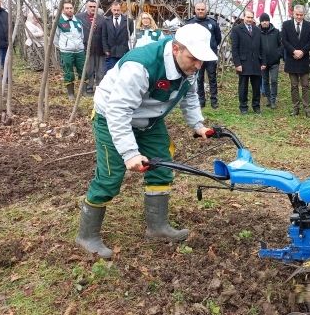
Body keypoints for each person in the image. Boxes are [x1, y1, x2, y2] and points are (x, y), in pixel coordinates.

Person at [75, 23, 218, 259]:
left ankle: (157, 227)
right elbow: (118, 111)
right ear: (176, 49)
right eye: (194, 59)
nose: (199, 65)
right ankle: (87, 235)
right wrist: (130, 153)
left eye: (202, 60)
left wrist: (198, 125)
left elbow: (189, 96)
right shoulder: (140, 67)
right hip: (111, 116)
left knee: (162, 167)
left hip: (149, 120)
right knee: (110, 178)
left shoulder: (190, 67)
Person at [186, 2, 222, 108]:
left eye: (202, 9)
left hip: (210, 55)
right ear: (195, 10)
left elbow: (218, 38)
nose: (201, 11)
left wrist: (212, 48)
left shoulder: (213, 23)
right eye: (198, 9)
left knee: (212, 77)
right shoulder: (189, 23)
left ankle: (214, 101)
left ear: (206, 10)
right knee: (199, 78)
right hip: (196, 56)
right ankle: (201, 100)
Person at [281, 4, 310, 117]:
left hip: (303, 60)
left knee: (305, 85)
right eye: (297, 15)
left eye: (301, 15)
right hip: (292, 60)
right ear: (293, 14)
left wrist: (302, 52)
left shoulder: (309, 26)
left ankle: (307, 109)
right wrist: (294, 51)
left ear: (304, 14)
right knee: (294, 86)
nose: (299, 17)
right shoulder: (286, 25)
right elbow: (284, 40)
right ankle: (295, 108)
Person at [231, 9, 266, 114]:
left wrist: (263, 62)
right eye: (248, 17)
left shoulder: (257, 30)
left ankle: (256, 106)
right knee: (243, 87)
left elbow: (262, 48)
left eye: (251, 17)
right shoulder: (237, 30)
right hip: (243, 63)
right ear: (243, 17)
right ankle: (243, 107)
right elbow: (234, 48)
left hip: (256, 63)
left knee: (256, 87)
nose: (249, 19)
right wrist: (237, 64)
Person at [53, 1, 85, 100]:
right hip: (67, 51)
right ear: (63, 10)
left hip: (79, 51)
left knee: (83, 70)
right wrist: (64, 47)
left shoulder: (78, 21)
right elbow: (55, 38)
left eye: (71, 8)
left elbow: (82, 36)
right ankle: (71, 94)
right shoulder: (59, 22)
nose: (69, 10)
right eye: (67, 8)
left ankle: (82, 92)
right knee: (68, 72)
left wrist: (79, 45)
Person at [76, 0, 106, 94]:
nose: (93, 8)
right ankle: (89, 89)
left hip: (100, 49)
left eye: (94, 6)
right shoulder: (78, 17)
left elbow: (105, 34)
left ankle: (99, 89)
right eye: (91, 6)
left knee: (100, 71)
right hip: (86, 48)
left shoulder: (102, 19)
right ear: (86, 6)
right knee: (88, 70)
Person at [259, 13, 282, 109]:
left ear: (269, 21)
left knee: (274, 80)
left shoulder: (276, 32)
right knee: (265, 81)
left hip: (274, 62)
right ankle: (268, 99)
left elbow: (281, 45)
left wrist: (278, 55)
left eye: (266, 20)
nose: (265, 22)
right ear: (260, 22)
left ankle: (273, 100)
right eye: (263, 20)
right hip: (262, 62)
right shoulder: (257, 32)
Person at [102, 1, 133, 72]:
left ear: (121, 10)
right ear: (111, 10)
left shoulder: (129, 21)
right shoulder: (106, 21)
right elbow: (104, 36)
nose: (116, 12)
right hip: (111, 52)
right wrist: (106, 50)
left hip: (124, 51)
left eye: (118, 10)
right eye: (114, 10)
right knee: (111, 72)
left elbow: (131, 36)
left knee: (123, 72)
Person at [0, 0, 9, 70]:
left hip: (5, 43)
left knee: (4, 62)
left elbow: (10, 27)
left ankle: (6, 78)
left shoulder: (5, 13)